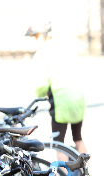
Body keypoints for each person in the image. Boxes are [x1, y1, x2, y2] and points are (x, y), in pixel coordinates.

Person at [27, 22, 88, 161]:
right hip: (78, 98)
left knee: (58, 143)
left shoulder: (42, 53)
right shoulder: (63, 47)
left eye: (34, 37)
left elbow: (41, 85)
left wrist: (40, 94)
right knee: (78, 138)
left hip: (61, 101)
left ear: (39, 36)